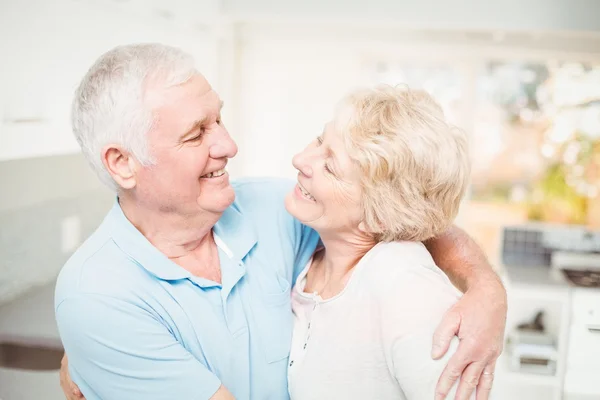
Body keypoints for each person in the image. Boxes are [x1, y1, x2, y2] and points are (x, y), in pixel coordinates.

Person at [55, 43, 506, 400]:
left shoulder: (274, 208)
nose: (229, 144)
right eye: (197, 133)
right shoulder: (97, 296)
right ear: (123, 164)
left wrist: (487, 286)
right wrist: (94, 349)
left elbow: (408, 216)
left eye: (219, 119)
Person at [286, 85, 477, 399]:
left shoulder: (405, 285)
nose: (300, 159)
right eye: (320, 140)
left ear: (378, 216)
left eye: (330, 166)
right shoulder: (309, 258)